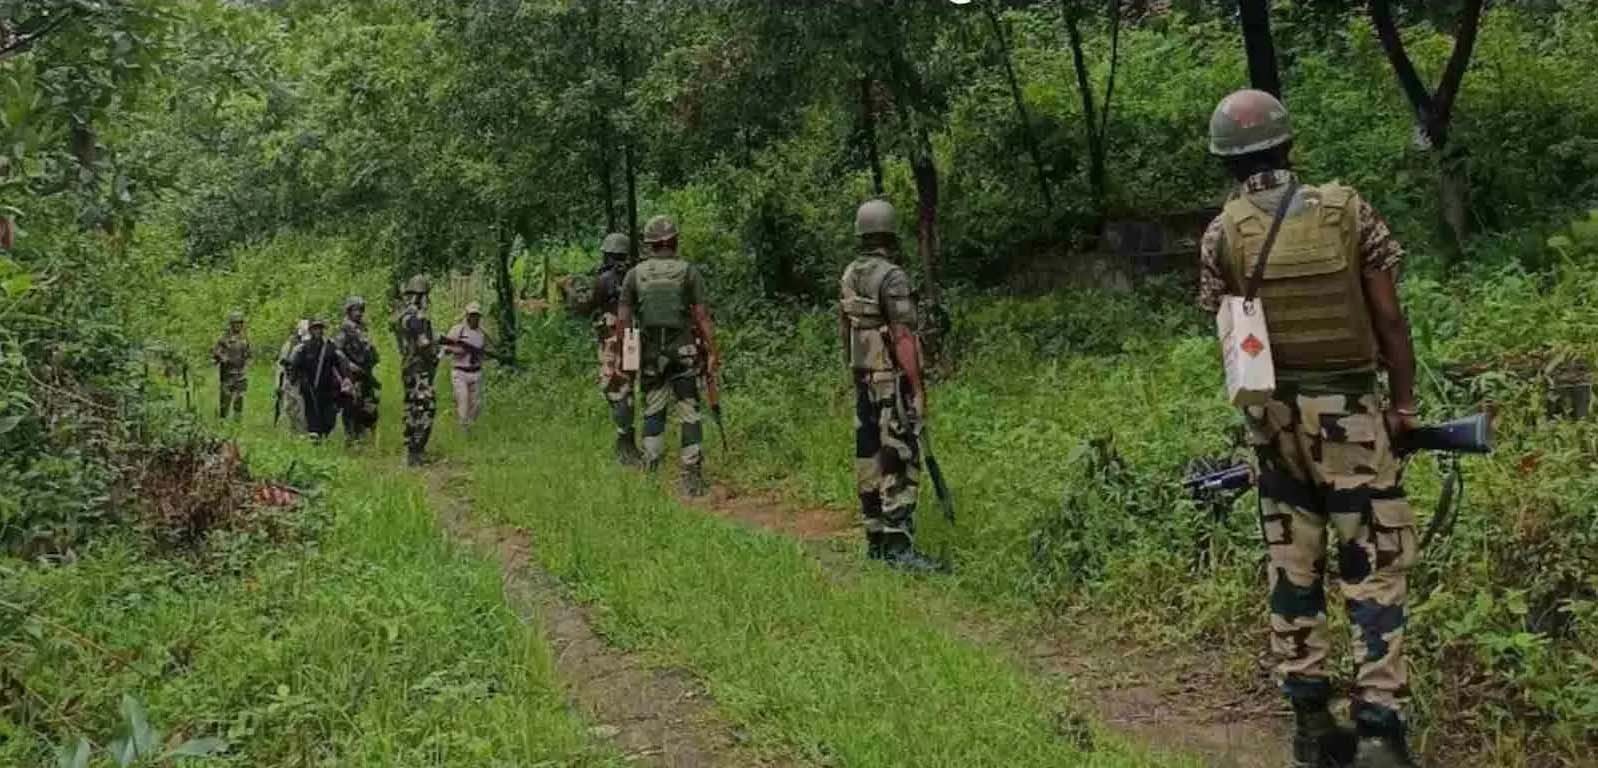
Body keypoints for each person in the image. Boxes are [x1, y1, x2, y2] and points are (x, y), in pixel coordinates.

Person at [1199, 89, 1421, 768]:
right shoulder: (1347, 211)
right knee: (1372, 563)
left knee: (1292, 566)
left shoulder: (1220, 233)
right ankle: (1379, 733)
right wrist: (1403, 405)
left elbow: (1231, 335)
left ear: (1226, 162)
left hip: (1274, 424)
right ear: (1289, 144)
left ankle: (1312, 726)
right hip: (1350, 416)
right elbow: (1389, 317)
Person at [838, 199, 940, 572]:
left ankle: (876, 539)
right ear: (890, 233)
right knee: (898, 454)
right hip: (889, 382)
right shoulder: (892, 276)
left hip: (862, 377)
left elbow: (846, 328)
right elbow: (903, 336)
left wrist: (854, 369)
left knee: (868, 457)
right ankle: (899, 546)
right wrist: (917, 387)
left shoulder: (850, 273)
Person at [615, 215, 719, 496]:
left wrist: (625, 356)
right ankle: (691, 477)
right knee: (689, 411)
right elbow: (702, 317)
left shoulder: (634, 274)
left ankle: (651, 472)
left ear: (650, 244)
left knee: (653, 409)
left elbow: (623, 321)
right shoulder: (688, 271)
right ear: (674, 240)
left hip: (650, 353)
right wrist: (713, 352)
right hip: (684, 351)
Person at [587, 233, 642, 465]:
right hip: (632, 336)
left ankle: (625, 440)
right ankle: (628, 437)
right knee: (628, 384)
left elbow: (591, 304)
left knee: (613, 386)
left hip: (612, 338)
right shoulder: (635, 276)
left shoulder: (604, 279)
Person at [393, 275, 440, 466]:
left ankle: (412, 450)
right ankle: (416, 451)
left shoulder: (402, 316)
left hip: (408, 367)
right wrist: (435, 354)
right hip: (419, 368)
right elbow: (423, 344)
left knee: (412, 407)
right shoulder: (416, 318)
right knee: (425, 408)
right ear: (422, 295)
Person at [288, 317, 349, 439]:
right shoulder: (303, 348)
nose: (318, 331)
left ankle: (324, 433)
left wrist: (345, 379)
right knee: (312, 414)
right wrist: (295, 380)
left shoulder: (330, 347)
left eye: (320, 328)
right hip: (309, 388)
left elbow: (339, 364)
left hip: (327, 387)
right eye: (315, 328)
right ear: (310, 331)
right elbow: (294, 367)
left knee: (329, 417)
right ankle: (315, 435)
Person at [333, 296, 381, 442]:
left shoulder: (362, 328)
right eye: (355, 310)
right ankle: (351, 438)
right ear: (349, 311)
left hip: (365, 373)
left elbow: (368, 348)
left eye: (361, 310)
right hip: (352, 375)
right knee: (352, 406)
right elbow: (337, 351)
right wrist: (349, 364)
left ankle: (365, 438)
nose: (359, 313)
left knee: (369, 407)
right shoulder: (345, 329)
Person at [442, 302, 492, 431]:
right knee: (463, 402)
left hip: (476, 372)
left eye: (476, 315)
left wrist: (482, 355)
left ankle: (471, 427)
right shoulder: (458, 330)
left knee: (476, 405)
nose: (474, 318)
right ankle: (463, 429)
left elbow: (488, 351)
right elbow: (446, 349)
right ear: (467, 316)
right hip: (460, 372)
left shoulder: (482, 333)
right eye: (471, 315)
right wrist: (459, 350)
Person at [211, 311, 251, 420]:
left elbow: (248, 354)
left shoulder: (244, 339)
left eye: (239, 323)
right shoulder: (224, 338)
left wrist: (246, 365)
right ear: (231, 324)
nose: (237, 325)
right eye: (235, 323)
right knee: (225, 400)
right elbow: (215, 351)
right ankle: (223, 420)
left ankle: (237, 421)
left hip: (240, 374)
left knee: (239, 399)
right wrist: (222, 357)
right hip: (227, 374)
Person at [276, 319, 310, 432]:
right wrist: (278, 384)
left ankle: (302, 431)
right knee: (289, 407)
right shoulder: (289, 345)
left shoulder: (311, 344)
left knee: (302, 408)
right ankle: (292, 430)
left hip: (305, 381)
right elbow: (281, 366)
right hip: (290, 379)